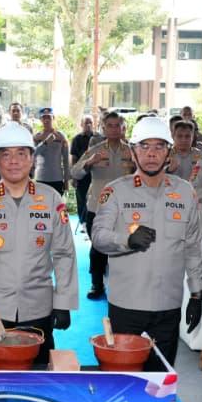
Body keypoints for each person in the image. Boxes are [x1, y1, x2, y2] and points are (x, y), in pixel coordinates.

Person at [0, 122, 77, 364]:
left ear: (32, 158)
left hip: (38, 306)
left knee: (37, 371)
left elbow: (64, 253)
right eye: (5, 154)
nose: (13, 161)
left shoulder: (51, 199)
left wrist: (64, 301)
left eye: (21, 154)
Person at [91, 116, 202, 365]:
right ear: (133, 152)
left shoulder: (185, 191)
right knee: (123, 376)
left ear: (168, 153)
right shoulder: (115, 191)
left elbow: (193, 246)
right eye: (144, 146)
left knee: (160, 378)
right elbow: (98, 237)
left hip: (167, 305)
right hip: (127, 304)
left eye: (159, 146)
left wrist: (197, 293)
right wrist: (127, 240)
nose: (151, 153)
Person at [70, 111, 135, 299]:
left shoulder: (132, 151)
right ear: (103, 128)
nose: (114, 129)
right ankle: (97, 284)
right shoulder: (95, 150)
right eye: (110, 126)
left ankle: (122, 283)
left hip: (124, 207)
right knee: (98, 246)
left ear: (123, 128)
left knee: (123, 244)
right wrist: (89, 163)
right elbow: (75, 172)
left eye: (117, 126)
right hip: (98, 206)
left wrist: (135, 166)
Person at [69, 115, 100, 226]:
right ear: (81, 124)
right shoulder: (77, 139)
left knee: (93, 199)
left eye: (90, 122)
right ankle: (83, 223)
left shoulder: (98, 138)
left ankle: (92, 222)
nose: (88, 125)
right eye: (86, 123)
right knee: (81, 199)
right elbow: (74, 159)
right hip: (82, 174)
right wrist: (74, 177)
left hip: (95, 174)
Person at [32, 107, 70, 197]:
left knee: (56, 204)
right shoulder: (37, 137)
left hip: (57, 178)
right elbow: (32, 155)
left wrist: (66, 180)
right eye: (44, 117)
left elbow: (66, 161)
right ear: (40, 120)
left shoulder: (60, 136)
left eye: (49, 117)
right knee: (42, 204)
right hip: (41, 178)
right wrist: (45, 143)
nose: (46, 120)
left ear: (53, 118)